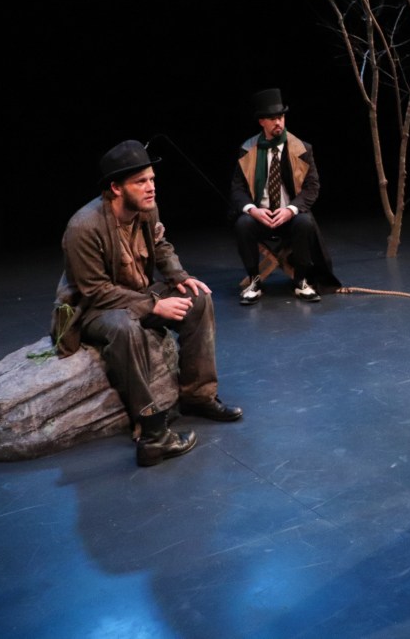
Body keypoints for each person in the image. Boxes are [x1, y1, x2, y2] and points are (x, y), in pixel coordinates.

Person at [52, 140, 243, 467]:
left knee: (197, 299)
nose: (151, 187)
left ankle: (197, 396)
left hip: (137, 292)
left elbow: (160, 243)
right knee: (126, 328)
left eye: (152, 179)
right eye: (141, 181)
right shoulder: (82, 227)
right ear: (115, 188)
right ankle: (153, 434)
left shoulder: (146, 208)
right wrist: (154, 305)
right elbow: (95, 291)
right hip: (94, 308)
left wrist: (178, 276)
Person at [230, 87, 341, 304]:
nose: (278, 122)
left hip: (288, 217)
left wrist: (290, 210)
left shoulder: (301, 149)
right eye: (272, 118)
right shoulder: (248, 150)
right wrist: (253, 210)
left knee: (305, 221)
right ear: (262, 121)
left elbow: (312, 187)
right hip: (260, 217)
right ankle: (254, 280)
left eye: (280, 117)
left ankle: (300, 281)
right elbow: (237, 189)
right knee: (242, 223)